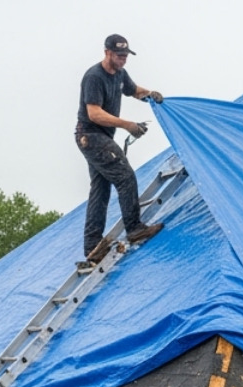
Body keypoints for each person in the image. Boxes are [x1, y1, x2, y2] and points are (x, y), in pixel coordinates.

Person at [76, 34, 165, 262]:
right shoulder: (94, 77)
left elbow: (133, 90)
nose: (123, 60)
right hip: (91, 136)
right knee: (125, 177)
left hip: (99, 137)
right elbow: (93, 113)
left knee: (100, 189)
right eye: (119, 55)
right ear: (107, 53)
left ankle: (92, 247)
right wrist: (127, 125)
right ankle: (134, 228)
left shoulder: (120, 74)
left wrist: (150, 95)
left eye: (126, 56)